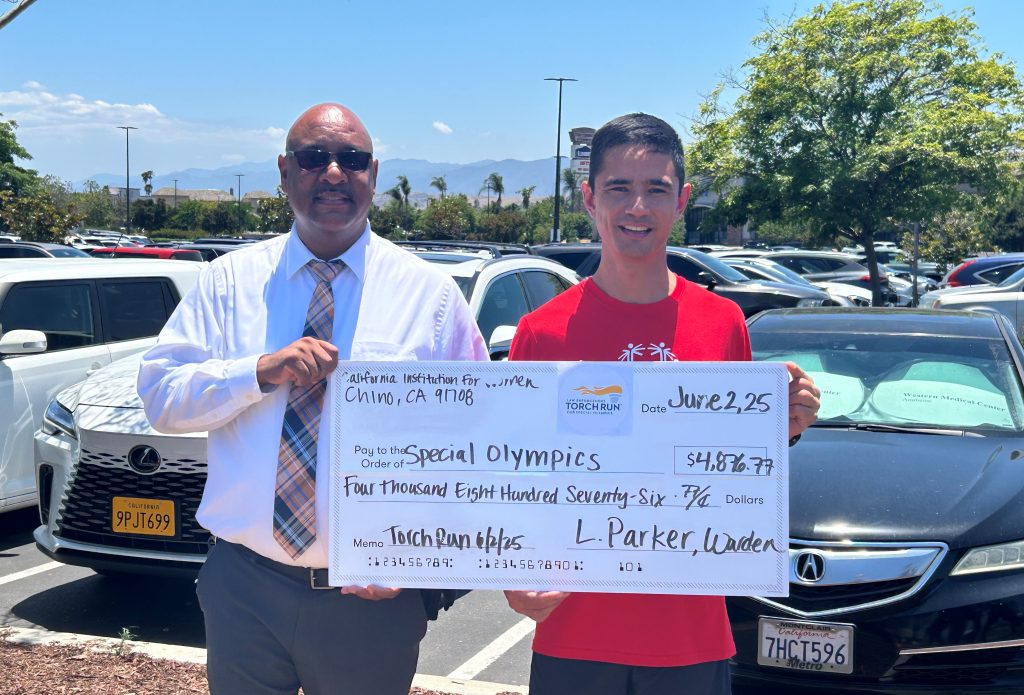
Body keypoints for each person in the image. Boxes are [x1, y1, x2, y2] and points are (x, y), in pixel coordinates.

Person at [137, 102, 488, 695]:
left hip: (371, 596)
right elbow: (162, 399)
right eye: (313, 158)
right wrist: (258, 372)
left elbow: (473, 440)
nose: (332, 173)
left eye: (351, 159)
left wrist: (418, 561)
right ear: (284, 171)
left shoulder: (429, 296)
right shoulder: (228, 282)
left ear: (373, 174)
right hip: (244, 585)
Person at [503, 113, 821, 695]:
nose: (637, 207)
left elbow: (732, 462)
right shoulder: (541, 334)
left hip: (691, 637)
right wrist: (514, 574)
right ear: (589, 198)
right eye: (619, 189)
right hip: (574, 634)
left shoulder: (723, 322)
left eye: (657, 189)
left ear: (683, 201)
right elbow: (519, 473)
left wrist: (786, 425)